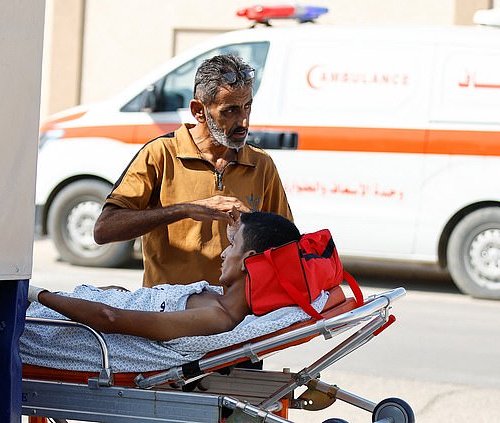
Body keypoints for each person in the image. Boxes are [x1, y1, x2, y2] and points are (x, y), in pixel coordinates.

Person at [93, 54, 292, 288]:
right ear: (199, 111)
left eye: (247, 106)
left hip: (235, 313)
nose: (244, 121)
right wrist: (186, 209)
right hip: (169, 312)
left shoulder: (261, 164)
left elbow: (287, 247)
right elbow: (104, 230)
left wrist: (254, 225)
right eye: (230, 111)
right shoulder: (160, 154)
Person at [28, 211, 301, 342]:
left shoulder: (218, 317)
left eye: (233, 244)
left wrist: (37, 294)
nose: (223, 253)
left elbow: (109, 318)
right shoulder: (215, 299)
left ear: (249, 260)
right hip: (67, 306)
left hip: (50, 324)